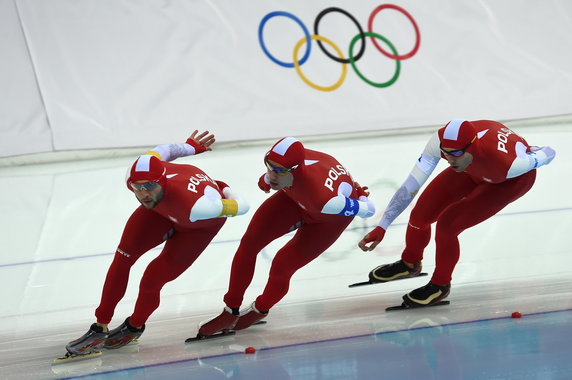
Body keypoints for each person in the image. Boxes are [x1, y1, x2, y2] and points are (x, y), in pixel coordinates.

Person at [64, 131, 250, 358]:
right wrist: (191, 147)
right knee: (122, 260)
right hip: (162, 211)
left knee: (152, 279)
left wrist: (226, 189)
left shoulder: (199, 206)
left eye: (149, 186)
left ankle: (134, 327)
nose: (143, 193)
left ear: (161, 181)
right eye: (137, 187)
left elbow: (243, 206)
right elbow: (164, 150)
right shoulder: (135, 176)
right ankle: (99, 327)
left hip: (197, 227)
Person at [358, 119, 556, 307]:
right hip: (471, 169)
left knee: (447, 225)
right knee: (420, 215)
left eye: (455, 153)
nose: (449, 159)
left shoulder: (509, 164)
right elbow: (411, 186)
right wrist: (382, 225)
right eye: (446, 153)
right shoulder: (441, 144)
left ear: (472, 146)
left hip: (508, 182)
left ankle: (440, 285)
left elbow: (549, 152)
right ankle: (410, 263)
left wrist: (532, 152)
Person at [197, 137, 376, 337]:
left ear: (295, 170)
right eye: (269, 167)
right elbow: (274, 172)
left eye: (279, 171)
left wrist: (360, 197)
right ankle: (230, 311)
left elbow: (369, 210)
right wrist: (267, 181)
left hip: (328, 219)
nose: (271, 174)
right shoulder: (286, 165)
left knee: (282, 265)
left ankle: (260, 309)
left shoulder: (325, 199)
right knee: (249, 244)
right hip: (294, 199)